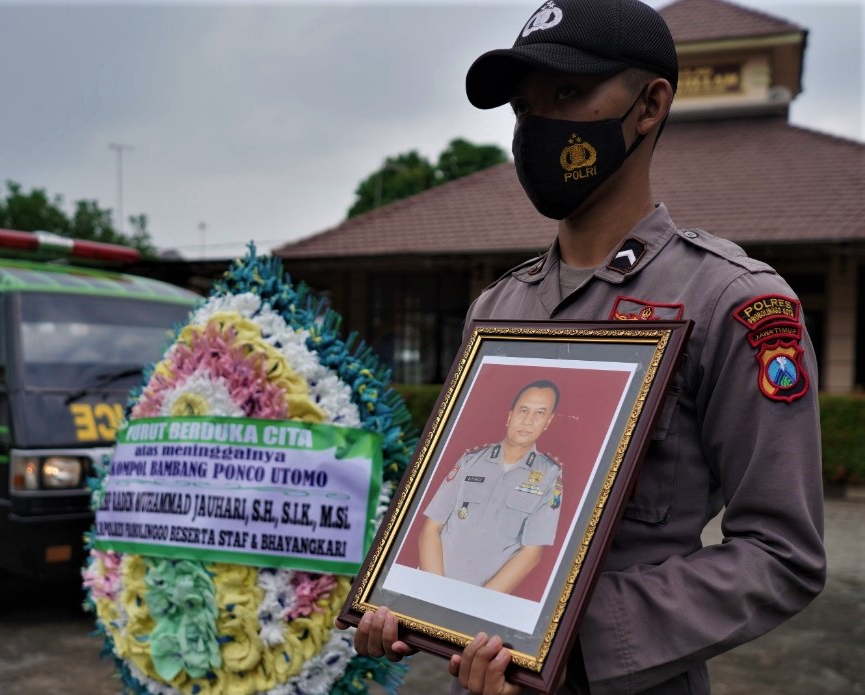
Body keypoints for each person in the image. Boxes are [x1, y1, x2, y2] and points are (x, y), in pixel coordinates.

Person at [336, 0, 826, 693]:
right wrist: (406, 605)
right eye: (524, 107)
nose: (538, 128)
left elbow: (782, 553)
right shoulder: (499, 306)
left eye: (568, 94)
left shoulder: (730, 299)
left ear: (650, 105)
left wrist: (572, 637)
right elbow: (446, 498)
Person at [419, 380, 563, 594]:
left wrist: (479, 602)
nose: (528, 421)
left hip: (484, 601)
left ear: (548, 422)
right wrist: (435, 590)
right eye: (524, 410)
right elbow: (432, 527)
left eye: (539, 414)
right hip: (429, 586)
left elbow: (532, 553)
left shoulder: (550, 475)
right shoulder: (470, 461)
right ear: (510, 416)